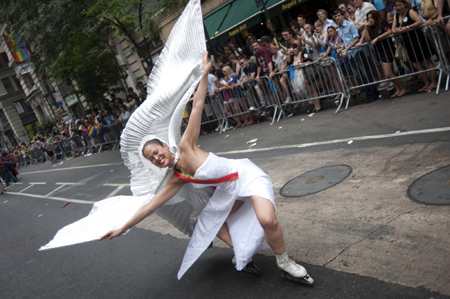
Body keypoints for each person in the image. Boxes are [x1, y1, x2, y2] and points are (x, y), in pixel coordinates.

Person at [100, 53, 314, 284]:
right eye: (152, 160)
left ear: (164, 146)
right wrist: (123, 228)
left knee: (267, 220)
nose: (156, 159)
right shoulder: (177, 177)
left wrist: (203, 74)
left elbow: (197, 107)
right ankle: (243, 253)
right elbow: (150, 205)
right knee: (214, 221)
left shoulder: (186, 146)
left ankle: (284, 262)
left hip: (246, 175)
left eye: (156, 153)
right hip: (226, 192)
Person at [334, 9, 380, 103]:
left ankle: (373, 93)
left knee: (365, 73)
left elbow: (356, 39)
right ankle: (368, 94)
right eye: (335, 17)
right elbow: (346, 41)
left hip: (357, 51)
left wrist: (346, 49)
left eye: (339, 15)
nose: (337, 18)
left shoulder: (350, 25)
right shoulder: (339, 29)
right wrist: (342, 47)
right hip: (350, 54)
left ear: (343, 16)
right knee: (359, 75)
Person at [392, 0, 438, 92]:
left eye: (400, 5)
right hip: (407, 42)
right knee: (416, 63)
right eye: (396, 6)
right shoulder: (396, 16)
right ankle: (426, 82)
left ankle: (434, 82)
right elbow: (392, 29)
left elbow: (420, 21)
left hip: (417, 39)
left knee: (427, 60)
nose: (398, 8)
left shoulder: (410, 12)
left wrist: (407, 27)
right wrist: (397, 29)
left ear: (405, 5)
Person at [362, 10, 409, 97]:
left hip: (387, 49)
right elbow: (368, 40)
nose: (370, 20)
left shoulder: (381, 23)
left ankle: (403, 88)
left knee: (388, 73)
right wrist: (365, 28)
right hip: (379, 51)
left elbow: (389, 31)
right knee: (390, 73)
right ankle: (398, 89)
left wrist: (378, 38)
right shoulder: (370, 28)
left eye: (372, 18)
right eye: (368, 18)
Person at [288, 43, 322, 112]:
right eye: (291, 48)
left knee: (312, 90)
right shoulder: (292, 56)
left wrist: (301, 64)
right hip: (298, 76)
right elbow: (288, 62)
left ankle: (318, 106)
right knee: (309, 91)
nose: (293, 50)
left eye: (294, 47)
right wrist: (289, 54)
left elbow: (309, 61)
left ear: (297, 47)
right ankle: (315, 106)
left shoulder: (303, 54)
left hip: (306, 74)